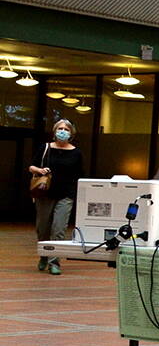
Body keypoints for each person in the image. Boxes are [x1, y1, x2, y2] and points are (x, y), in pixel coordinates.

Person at [30, 118, 83, 275]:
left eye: (66, 129)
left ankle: (55, 262)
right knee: (43, 228)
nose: (63, 131)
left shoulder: (76, 153)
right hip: (44, 193)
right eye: (60, 128)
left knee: (59, 228)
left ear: (71, 133)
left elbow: (79, 175)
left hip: (65, 196)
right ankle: (44, 256)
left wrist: (75, 194)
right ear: (54, 132)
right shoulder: (45, 148)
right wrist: (40, 171)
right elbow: (31, 166)